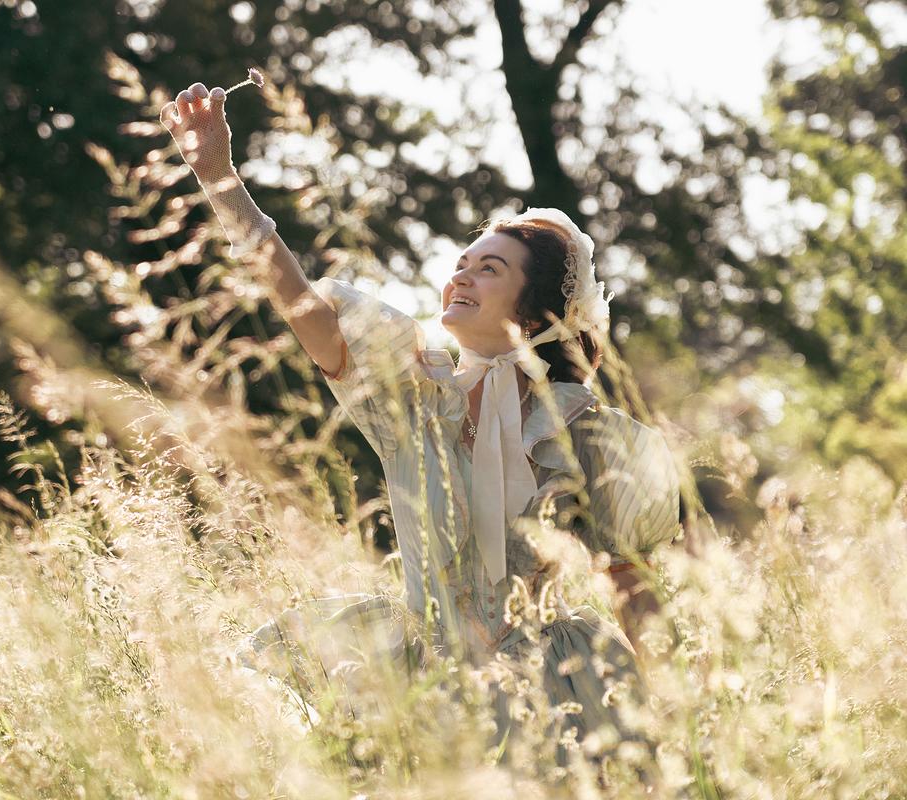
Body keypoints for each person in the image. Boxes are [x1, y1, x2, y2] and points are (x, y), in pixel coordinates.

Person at [159, 81, 682, 767]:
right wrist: (220, 178)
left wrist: (674, 715)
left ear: (530, 314)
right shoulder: (415, 391)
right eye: (460, 265)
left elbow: (631, 585)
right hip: (416, 661)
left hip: (548, 679)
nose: (459, 279)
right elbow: (302, 305)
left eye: (488, 270)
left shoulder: (586, 431)